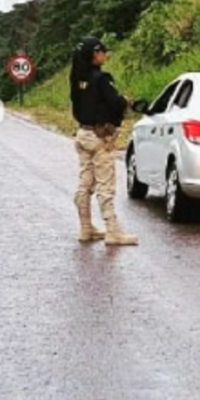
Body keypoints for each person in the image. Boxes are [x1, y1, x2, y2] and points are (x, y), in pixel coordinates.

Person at [70, 37, 138, 245]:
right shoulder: (101, 79)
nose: (105, 54)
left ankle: (85, 228)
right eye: (102, 51)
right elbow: (115, 104)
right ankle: (112, 231)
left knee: (85, 184)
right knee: (105, 185)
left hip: (83, 134)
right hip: (101, 138)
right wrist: (125, 102)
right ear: (94, 54)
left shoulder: (76, 78)